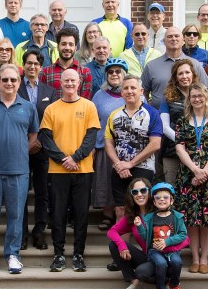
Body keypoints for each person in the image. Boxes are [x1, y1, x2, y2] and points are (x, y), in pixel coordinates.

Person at [0, 64, 39, 275]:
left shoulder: (28, 107)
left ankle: (13, 256)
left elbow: (33, 136)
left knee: (15, 216)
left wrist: (19, 151)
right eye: (5, 80)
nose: (9, 83)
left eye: (13, 80)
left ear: (19, 82)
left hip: (19, 171)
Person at [40, 69, 101, 272]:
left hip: (83, 169)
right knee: (58, 214)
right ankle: (58, 255)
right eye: (65, 80)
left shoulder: (89, 106)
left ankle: (78, 254)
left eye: (73, 80)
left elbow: (91, 137)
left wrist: (75, 158)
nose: (69, 83)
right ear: (61, 82)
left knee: (81, 214)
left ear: (79, 82)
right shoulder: (51, 109)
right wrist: (63, 159)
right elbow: (45, 138)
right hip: (58, 172)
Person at [175, 84, 208, 275]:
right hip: (188, 175)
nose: (197, 99)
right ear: (189, 99)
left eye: (200, 96)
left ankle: (204, 258)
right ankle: (194, 258)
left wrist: (204, 171)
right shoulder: (182, 121)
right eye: (193, 96)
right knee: (191, 218)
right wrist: (195, 170)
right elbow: (179, 148)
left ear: (206, 97)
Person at [104, 74, 162, 219]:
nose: (129, 91)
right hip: (119, 169)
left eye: (133, 88)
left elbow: (155, 144)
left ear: (141, 91)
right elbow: (109, 143)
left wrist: (130, 164)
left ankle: (143, 242)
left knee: (143, 211)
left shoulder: (152, 114)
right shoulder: (114, 115)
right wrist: (119, 164)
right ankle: (120, 243)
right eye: (126, 88)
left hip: (143, 168)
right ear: (121, 92)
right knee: (121, 210)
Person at [18, 49, 56, 250]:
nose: (32, 67)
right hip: (19, 148)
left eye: (36, 64)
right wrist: (26, 143)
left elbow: (52, 121)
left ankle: (39, 231)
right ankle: (22, 233)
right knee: (21, 192)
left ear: (41, 68)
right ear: (23, 65)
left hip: (42, 149)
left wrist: (37, 141)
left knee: (42, 193)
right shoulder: (15, 88)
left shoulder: (49, 92)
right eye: (29, 63)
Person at [91, 58, 127, 231]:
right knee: (105, 180)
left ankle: (124, 217)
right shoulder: (99, 95)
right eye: (111, 72)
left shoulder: (132, 92)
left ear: (124, 75)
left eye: (118, 72)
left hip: (127, 147)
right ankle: (107, 215)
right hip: (104, 145)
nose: (114, 74)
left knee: (123, 181)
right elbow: (93, 121)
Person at [136, 182, 187, 289]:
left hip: (171, 250)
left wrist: (168, 241)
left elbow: (182, 234)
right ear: (154, 202)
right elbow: (145, 237)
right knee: (161, 263)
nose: (162, 200)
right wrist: (139, 227)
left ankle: (174, 285)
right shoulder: (150, 218)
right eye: (158, 198)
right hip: (155, 251)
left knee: (177, 261)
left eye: (165, 197)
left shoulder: (177, 217)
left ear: (172, 200)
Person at [107, 177, 155, 289]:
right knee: (114, 245)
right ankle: (134, 282)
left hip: (163, 259)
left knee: (143, 271)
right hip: (147, 258)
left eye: (143, 190)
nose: (139, 194)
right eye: (135, 192)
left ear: (149, 192)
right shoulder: (133, 215)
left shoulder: (159, 211)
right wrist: (122, 245)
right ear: (131, 196)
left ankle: (168, 280)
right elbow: (112, 232)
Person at [141, 26, 208, 110]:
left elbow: (206, 91)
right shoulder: (151, 66)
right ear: (164, 41)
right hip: (159, 117)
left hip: (189, 117)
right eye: (169, 36)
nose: (173, 39)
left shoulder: (195, 64)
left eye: (177, 36)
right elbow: (143, 93)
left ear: (183, 40)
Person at [158, 59, 204, 185]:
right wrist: (183, 141)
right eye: (180, 74)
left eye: (187, 73)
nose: (184, 76)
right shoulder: (168, 97)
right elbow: (164, 126)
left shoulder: (201, 95)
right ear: (175, 77)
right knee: (172, 190)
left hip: (196, 152)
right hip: (172, 152)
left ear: (193, 74)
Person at [40, 28, 93, 99]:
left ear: (75, 48)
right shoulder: (46, 73)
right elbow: (44, 100)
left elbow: (85, 102)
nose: (67, 47)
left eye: (71, 44)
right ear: (58, 47)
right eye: (63, 44)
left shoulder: (85, 73)